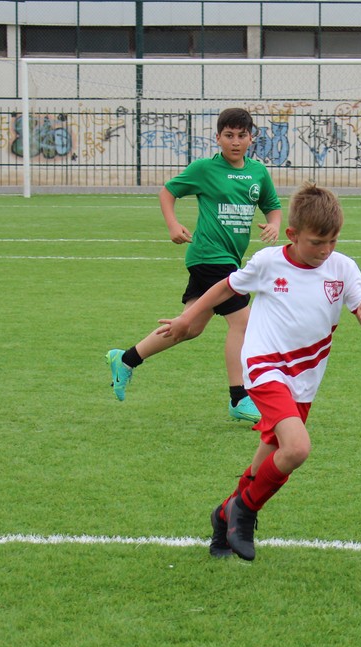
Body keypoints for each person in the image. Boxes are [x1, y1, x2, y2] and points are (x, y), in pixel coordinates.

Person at [153, 184, 361, 561]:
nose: (326, 250)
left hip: (304, 382)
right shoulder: (268, 262)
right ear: (292, 234)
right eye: (316, 242)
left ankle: (225, 514)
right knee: (297, 448)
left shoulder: (343, 268)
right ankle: (244, 512)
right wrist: (187, 317)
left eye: (333, 241)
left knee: (267, 463)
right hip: (265, 367)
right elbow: (223, 288)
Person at [105, 108, 282, 420]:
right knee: (243, 323)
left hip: (224, 259)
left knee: (189, 327)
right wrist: (173, 225)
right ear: (218, 138)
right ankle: (239, 398)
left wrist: (274, 224)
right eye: (229, 135)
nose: (235, 142)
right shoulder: (204, 169)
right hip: (210, 257)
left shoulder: (258, 172)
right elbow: (168, 192)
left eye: (241, 135)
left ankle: (126, 359)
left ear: (251, 138)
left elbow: (272, 206)